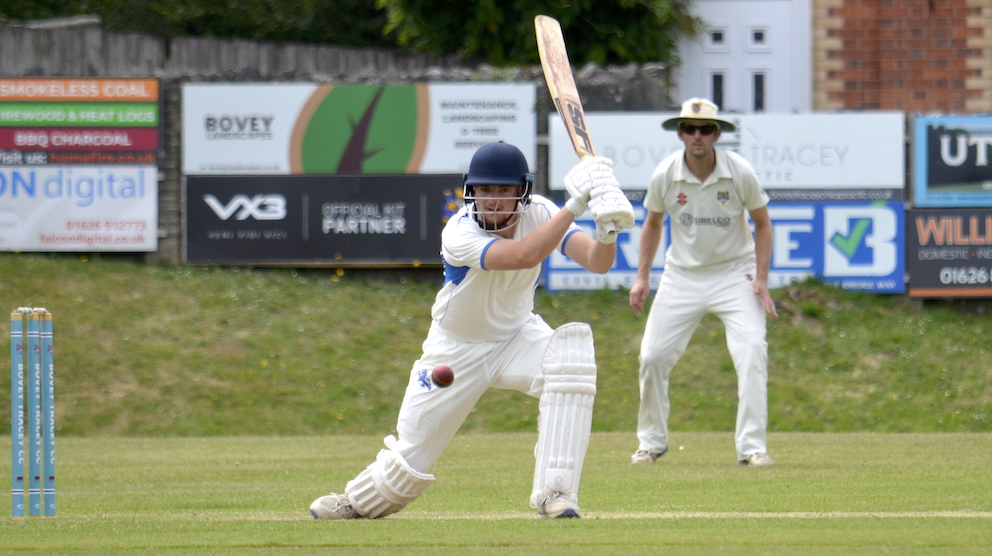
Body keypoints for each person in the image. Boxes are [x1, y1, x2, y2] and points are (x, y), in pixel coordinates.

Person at [310, 141, 634, 520]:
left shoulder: (542, 212)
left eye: (503, 190)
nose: (493, 200)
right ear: (471, 191)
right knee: (412, 452)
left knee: (571, 362)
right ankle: (356, 502)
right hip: (455, 349)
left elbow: (597, 263)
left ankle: (556, 494)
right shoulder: (458, 231)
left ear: (521, 192)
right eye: (485, 190)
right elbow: (522, 257)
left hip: (517, 338)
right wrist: (576, 204)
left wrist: (607, 233)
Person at [628, 98, 778, 467]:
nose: (698, 136)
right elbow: (652, 223)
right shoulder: (665, 174)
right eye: (691, 129)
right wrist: (642, 277)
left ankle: (752, 448)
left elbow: (762, 223)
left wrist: (760, 279)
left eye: (706, 129)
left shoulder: (739, 172)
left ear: (717, 134)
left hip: (734, 274)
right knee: (652, 357)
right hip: (682, 275)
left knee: (753, 350)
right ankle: (651, 442)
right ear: (680, 133)